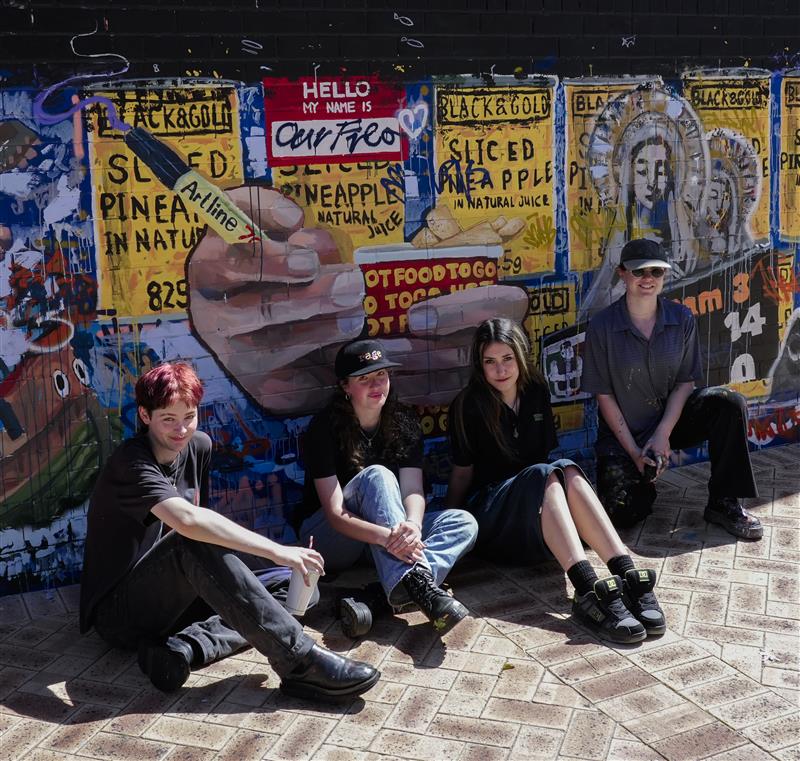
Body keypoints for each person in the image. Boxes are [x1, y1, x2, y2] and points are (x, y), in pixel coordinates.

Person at [79, 362, 379, 700]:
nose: (181, 430)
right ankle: (299, 661)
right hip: (121, 615)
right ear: (146, 416)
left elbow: (203, 529)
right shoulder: (131, 464)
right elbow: (190, 523)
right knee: (190, 540)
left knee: (294, 587)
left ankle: (185, 649)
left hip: (176, 605)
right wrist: (279, 550)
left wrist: (286, 562)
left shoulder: (199, 447)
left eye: (189, 417)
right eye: (168, 419)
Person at [446, 318, 665, 644]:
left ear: (520, 357)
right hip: (494, 517)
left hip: (533, 513)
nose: (500, 369)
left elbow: (546, 460)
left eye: (507, 359)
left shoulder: (535, 393)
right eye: (490, 362)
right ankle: (587, 589)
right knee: (545, 473)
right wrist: (452, 535)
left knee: (567, 470)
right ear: (480, 366)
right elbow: (463, 473)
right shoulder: (468, 404)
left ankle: (627, 573)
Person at [581, 238, 762, 540]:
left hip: (671, 422)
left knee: (728, 403)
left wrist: (663, 433)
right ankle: (644, 480)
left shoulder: (681, 319)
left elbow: (685, 382)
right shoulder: (602, 326)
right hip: (624, 433)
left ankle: (724, 501)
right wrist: (637, 454)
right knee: (624, 512)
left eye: (656, 272)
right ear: (622, 273)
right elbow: (604, 395)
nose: (648, 279)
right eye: (639, 272)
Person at [296, 338, 478, 635]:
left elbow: (412, 492)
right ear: (345, 386)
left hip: (381, 539)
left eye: (381, 374)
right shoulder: (324, 428)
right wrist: (389, 538)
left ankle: (383, 595)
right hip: (330, 538)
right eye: (364, 378)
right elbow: (334, 514)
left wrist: (413, 527)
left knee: (463, 522)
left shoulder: (403, 420)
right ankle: (418, 584)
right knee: (377, 476)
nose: (376, 383)